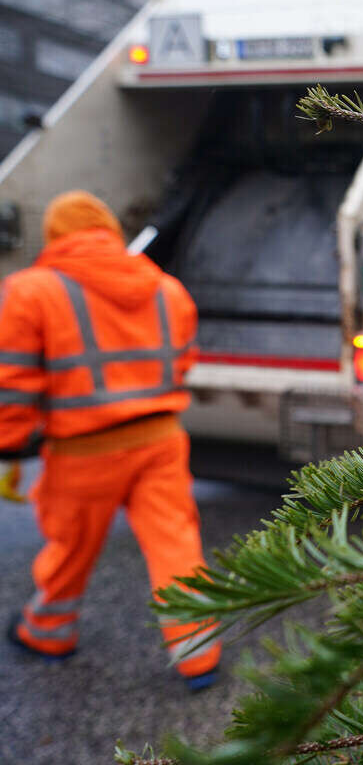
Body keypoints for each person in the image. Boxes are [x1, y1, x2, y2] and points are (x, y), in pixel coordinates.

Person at [1, 191, 220, 690]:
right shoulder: (166, 289)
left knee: (72, 546)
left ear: (56, 236)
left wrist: (10, 441)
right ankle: (199, 653)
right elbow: (182, 360)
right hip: (162, 440)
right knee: (176, 545)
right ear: (110, 233)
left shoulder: (31, 290)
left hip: (83, 451)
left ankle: (47, 632)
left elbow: (11, 380)